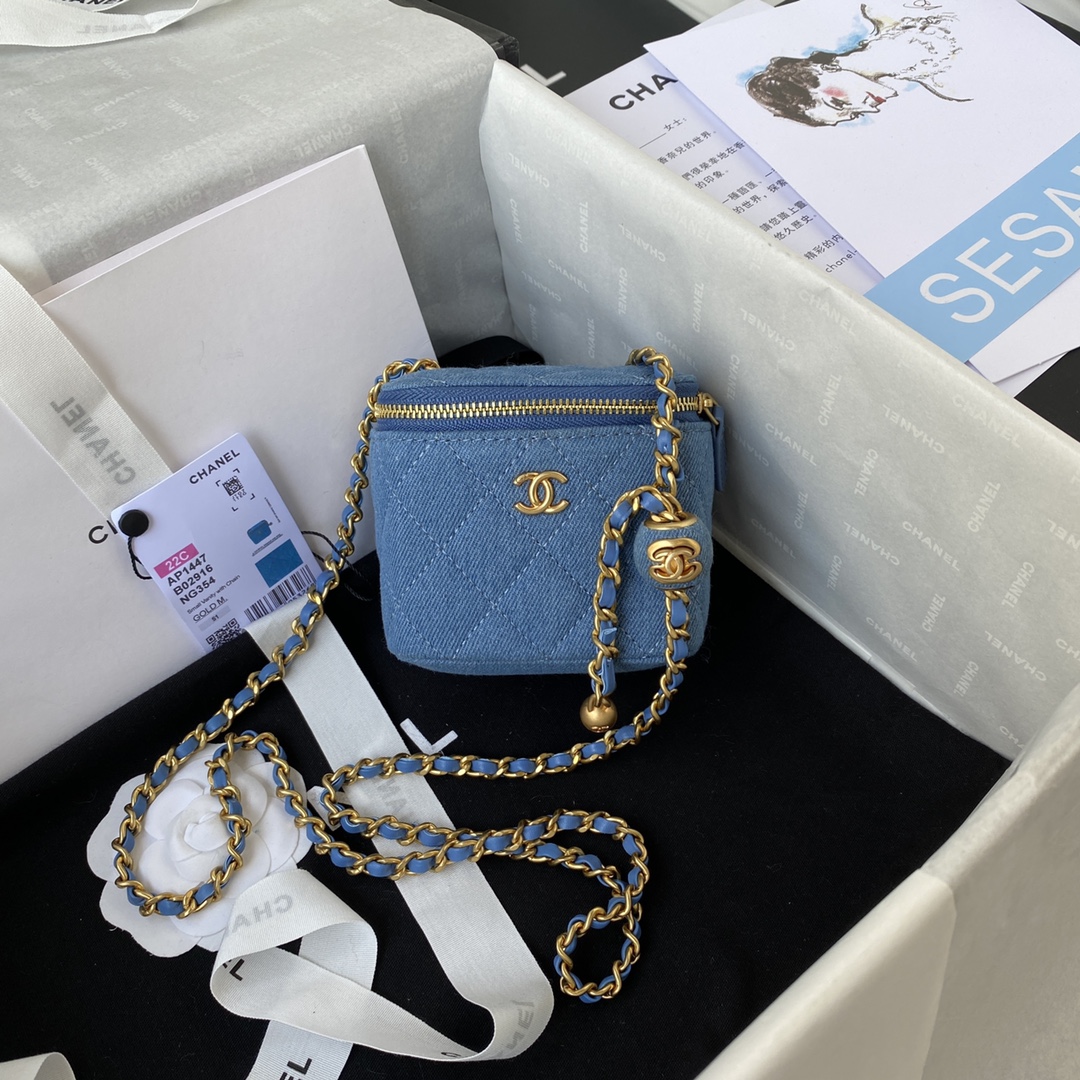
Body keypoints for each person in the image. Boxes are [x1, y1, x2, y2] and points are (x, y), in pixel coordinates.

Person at [746, 2, 971, 127]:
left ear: (818, 70)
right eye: (855, 114)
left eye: (838, 103)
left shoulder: (883, 7)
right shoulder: (954, 88)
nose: (870, 108)